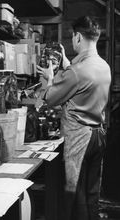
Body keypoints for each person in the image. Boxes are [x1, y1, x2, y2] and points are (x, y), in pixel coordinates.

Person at [36, 16, 111, 220]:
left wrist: (50, 78)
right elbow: (80, 82)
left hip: (79, 138)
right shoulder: (104, 66)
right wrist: (67, 63)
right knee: (92, 191)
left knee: (75, 192)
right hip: (98, 135)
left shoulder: (77, 72)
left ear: (77, 37)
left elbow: (50, 99)